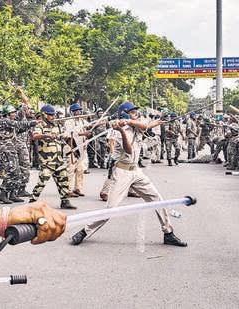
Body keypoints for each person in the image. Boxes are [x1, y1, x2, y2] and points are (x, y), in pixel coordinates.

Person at [70, 102, 187, 247]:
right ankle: (85, 231)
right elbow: (129, 150)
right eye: (132, 112)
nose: (136, 113)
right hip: (122, 172)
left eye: (135, 112)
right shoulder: (117, 131)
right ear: (125, 114)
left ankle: (168, 233)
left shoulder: (135, 124)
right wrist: (122, 131)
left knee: (158, 200)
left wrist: (158, 121)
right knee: (111, 210)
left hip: (136, 171)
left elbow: (146, 125)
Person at [29, 104, 76, 209]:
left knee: (64, 180)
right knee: (42, 182)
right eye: (50, 115)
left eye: (53, 115)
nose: (52, 117)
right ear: (44, 115)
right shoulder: (39, 125)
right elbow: (34, 136)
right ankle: (32, 201)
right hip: (47, 160)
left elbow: (65, 138)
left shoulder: (57, 125)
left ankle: (65, 201)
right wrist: (46, 135)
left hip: (58, 159)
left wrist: (73, 148)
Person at [0, 105, 36, 204]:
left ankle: (13, 193)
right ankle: (3, 193)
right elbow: (19, 125)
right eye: (12, 113)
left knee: (17, 172)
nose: (14, 114)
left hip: (12, 149)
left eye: (14, 112)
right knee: (11, 171)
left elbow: (20, 129)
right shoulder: (4, 121)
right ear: (8, 114)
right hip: (6, 150)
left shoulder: (10, 124)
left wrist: (31, 125)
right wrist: (32, 123)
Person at [64, 102, 90, 197]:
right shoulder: (68, 122)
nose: (78, 113)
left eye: (79, 111)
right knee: (71, 169)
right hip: (72, 147)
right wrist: (84, 134)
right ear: (72, 112)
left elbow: (90, 125)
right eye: (76, 111)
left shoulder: (82, 121)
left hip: (81, 148)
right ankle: (68, 190)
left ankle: (77, 188)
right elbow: (70, 134)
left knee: (80, 169)